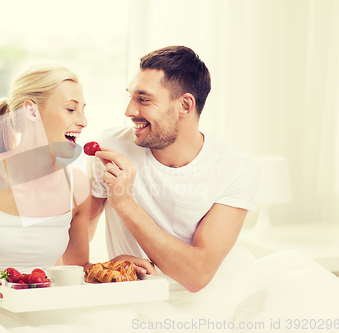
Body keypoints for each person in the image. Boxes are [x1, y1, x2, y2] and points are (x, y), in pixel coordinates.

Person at [87, 46, 260, 293]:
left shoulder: (235, 167)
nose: (129, 111)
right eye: (130, 97)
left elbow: (197, 275)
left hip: (206, 302)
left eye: (143, 99)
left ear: (185, 105)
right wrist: (103, 267)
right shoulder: (111, 148)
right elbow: (79, 234)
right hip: (126, 296)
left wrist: (124, 203)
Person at [0, 64, 92, 301]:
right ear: (31, 112)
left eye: (83, 110)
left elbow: (78, 272)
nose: (83, 121)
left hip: (44, 308)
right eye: (71, 109)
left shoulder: (80, 186)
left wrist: (120, 266)